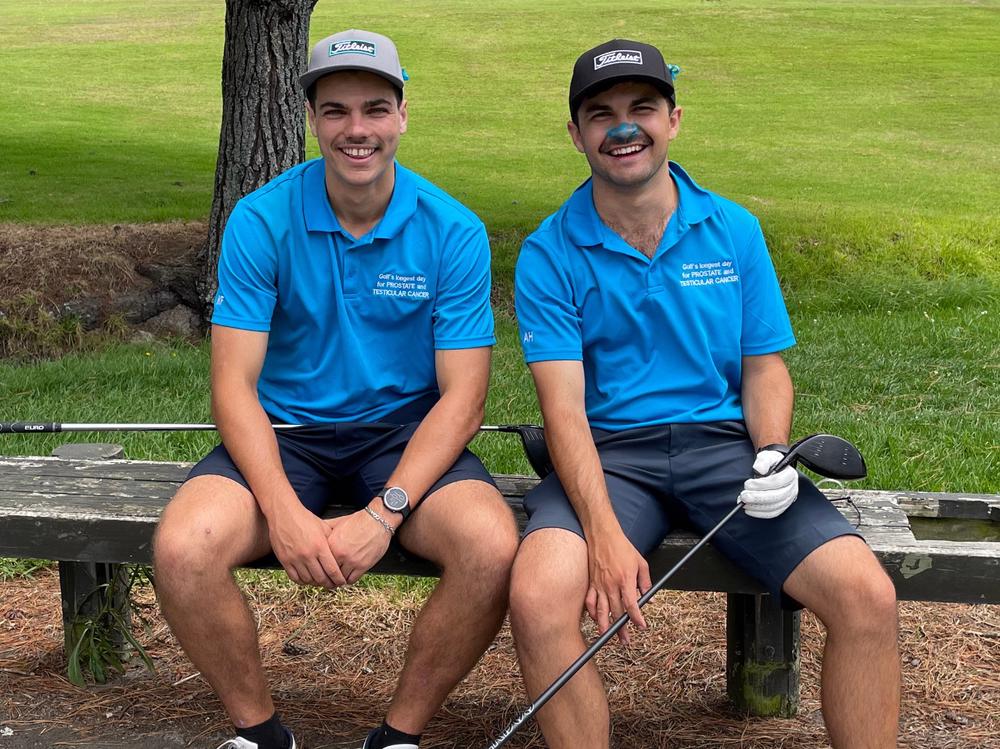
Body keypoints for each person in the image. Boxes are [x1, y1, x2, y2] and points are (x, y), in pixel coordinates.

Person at [510, 39, 900, 748]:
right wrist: (602, 533)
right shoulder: (547, 252)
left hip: (725, 455)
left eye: (642, 108)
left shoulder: (734, 229)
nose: (623, 127)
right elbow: (561, 409)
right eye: (600, 115)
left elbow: (763, 368)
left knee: (867, 596)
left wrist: (773, 453)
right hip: (609, 458)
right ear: (576, 134)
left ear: (674, 119)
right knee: (538, 599)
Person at [153, 29, 518, 749]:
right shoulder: (261, 219)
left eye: (375, 108)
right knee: (183, 548)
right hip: (285, 436)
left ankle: (398, 736)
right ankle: (260, 733)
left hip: (403, 439)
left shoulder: (454, 230)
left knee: (492, 547)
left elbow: (464, 399)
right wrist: (283, 511)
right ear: (313, 120)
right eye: (336, 110)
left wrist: (383, 514)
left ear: (403, 115)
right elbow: (232, 385)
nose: (357, 129)